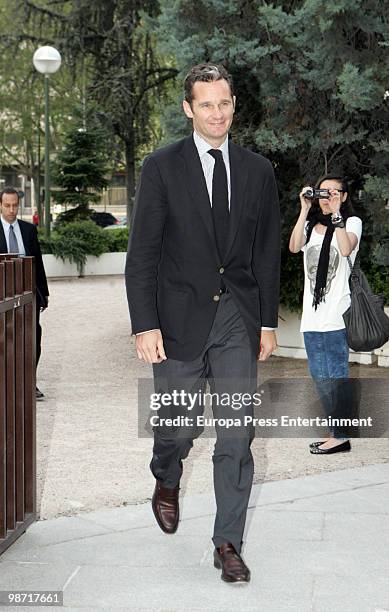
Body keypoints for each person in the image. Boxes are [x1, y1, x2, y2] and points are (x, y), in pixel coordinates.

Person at [125, 63, 280, 584]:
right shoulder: (161, 167)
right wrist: (143, 323)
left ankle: (227, 543)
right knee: (178, 428)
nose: (218, 113)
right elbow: (143, 252)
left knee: (237, 436)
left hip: (236, 317)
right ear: (189, 109)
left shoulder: (259, 172)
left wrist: (265, 322)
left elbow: (265, 254)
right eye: (206, 104)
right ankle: (165, 477)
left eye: (225, 103)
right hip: (178, 321)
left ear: (235, 104)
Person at [289, 175, 362, 454]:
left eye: (335, 192)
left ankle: (340, 435)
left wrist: (336, 215)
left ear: (344, 196)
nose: (328, 196)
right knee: (320, 376)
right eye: (324, 192)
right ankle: (336, 431)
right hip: (312, 317)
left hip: (336, 315)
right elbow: (295, 247)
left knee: (337, 374)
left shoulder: (351, 223)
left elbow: (345, 249)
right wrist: (304, 209)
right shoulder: (310, 225)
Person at [0, 187, 49, 400]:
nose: (12, 210)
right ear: (0, 205)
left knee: (32, 337)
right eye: (7, 205)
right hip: (2, 295)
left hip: (28, 293)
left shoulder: (29, 230)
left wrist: (43, 293)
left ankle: (30, 382)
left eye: (15, 206)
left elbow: (37, 263)